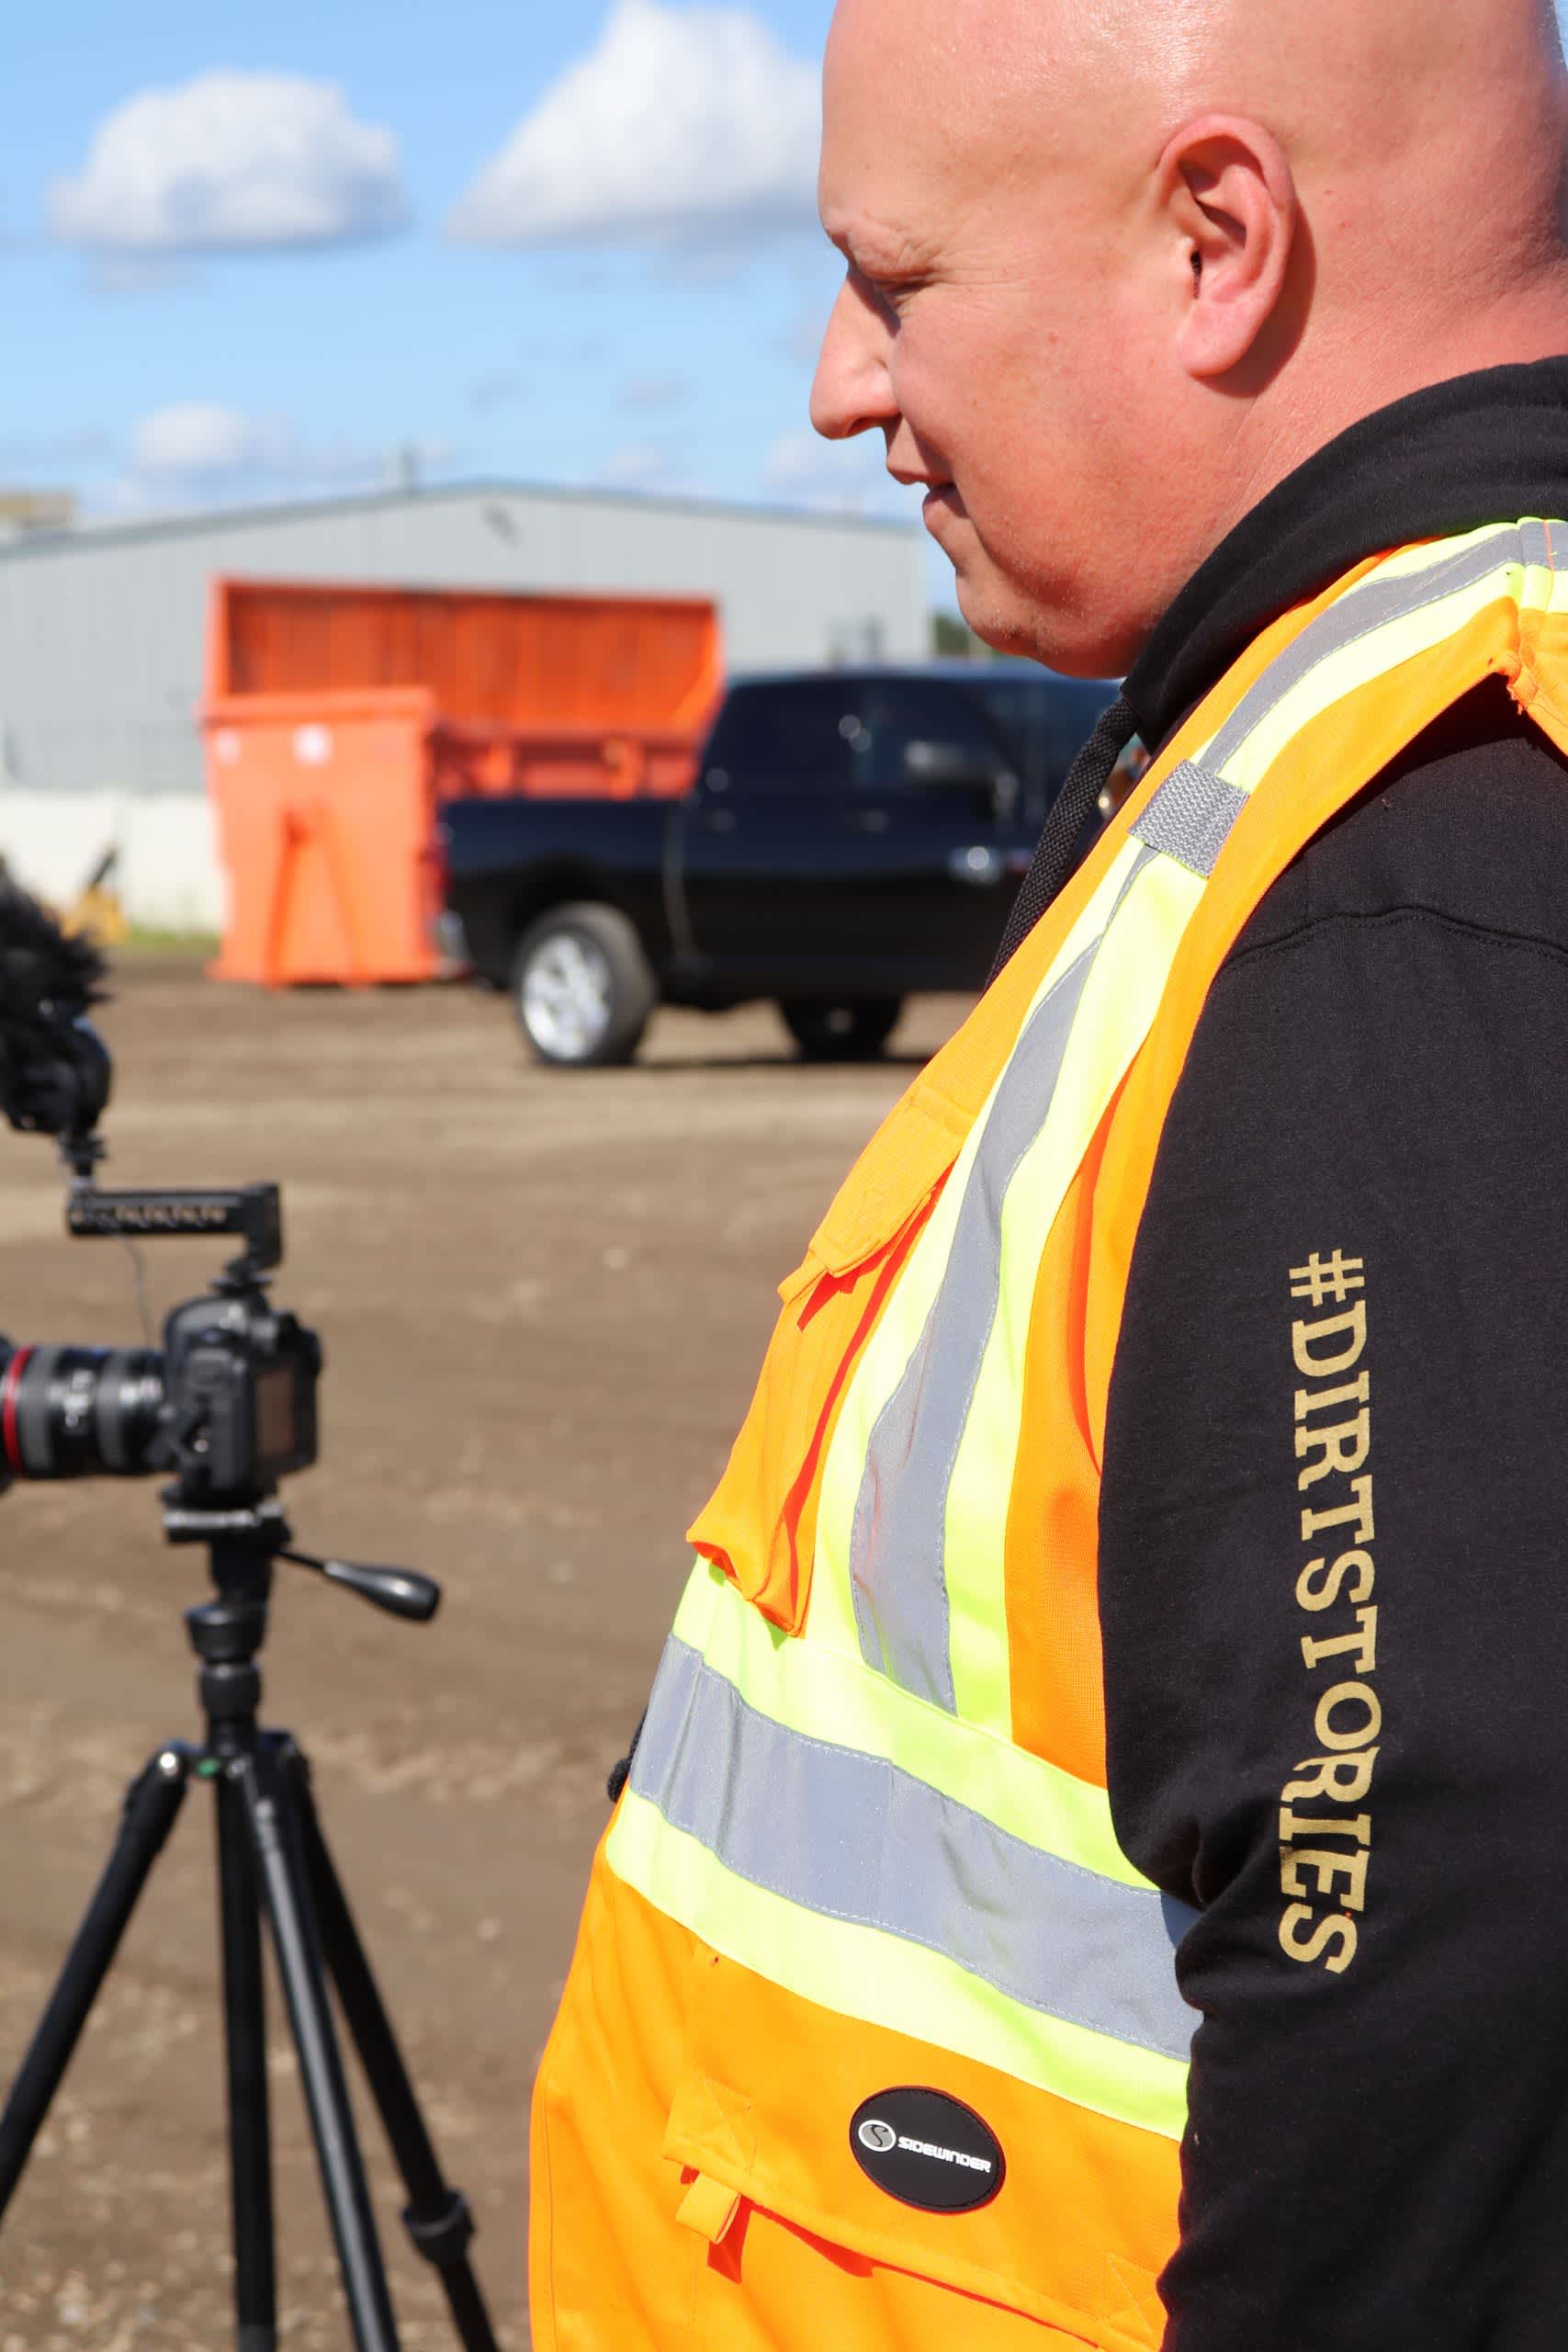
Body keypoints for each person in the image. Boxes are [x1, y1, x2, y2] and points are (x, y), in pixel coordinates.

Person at [530, 1, 1568, 2344]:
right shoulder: (1319, 748)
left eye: (890, 282)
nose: (832, 381)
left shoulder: (1418, 864)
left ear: (1216, 238)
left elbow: (1469, 1936)